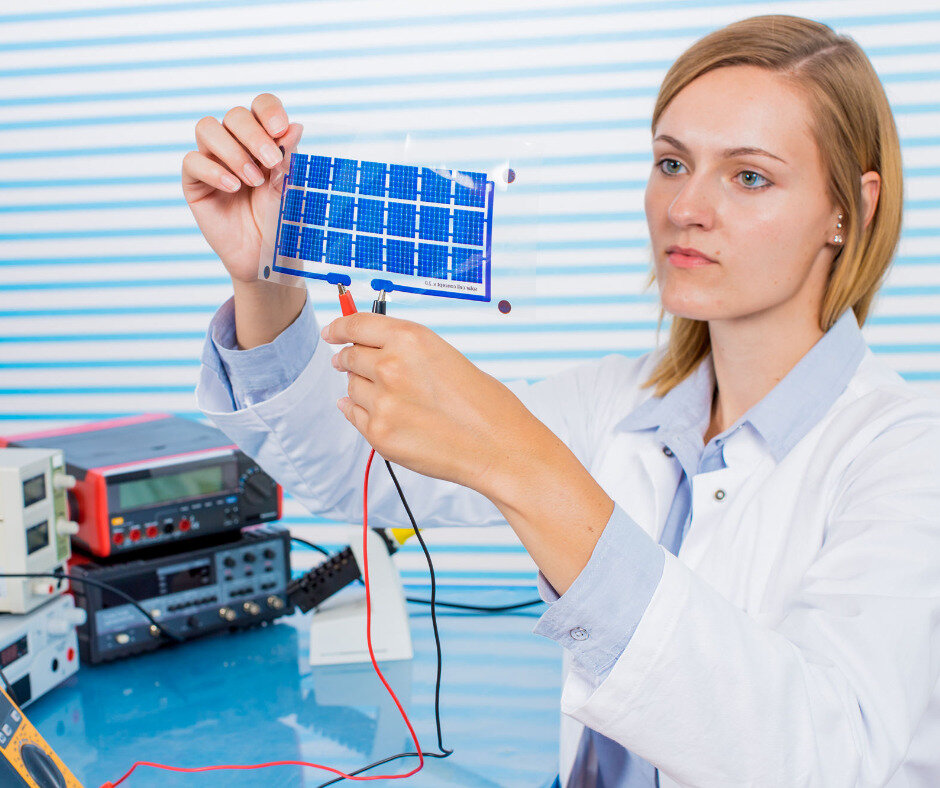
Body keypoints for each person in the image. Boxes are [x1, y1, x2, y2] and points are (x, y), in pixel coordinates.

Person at [186, 14, 940, 787]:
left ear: (851, 208)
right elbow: (358, 472)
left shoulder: (909, 458)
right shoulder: (618, 401)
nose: (685, 207)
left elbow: (821, 759)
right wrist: (264, 279)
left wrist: (525, 466)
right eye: (672, 163)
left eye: (749, 176)